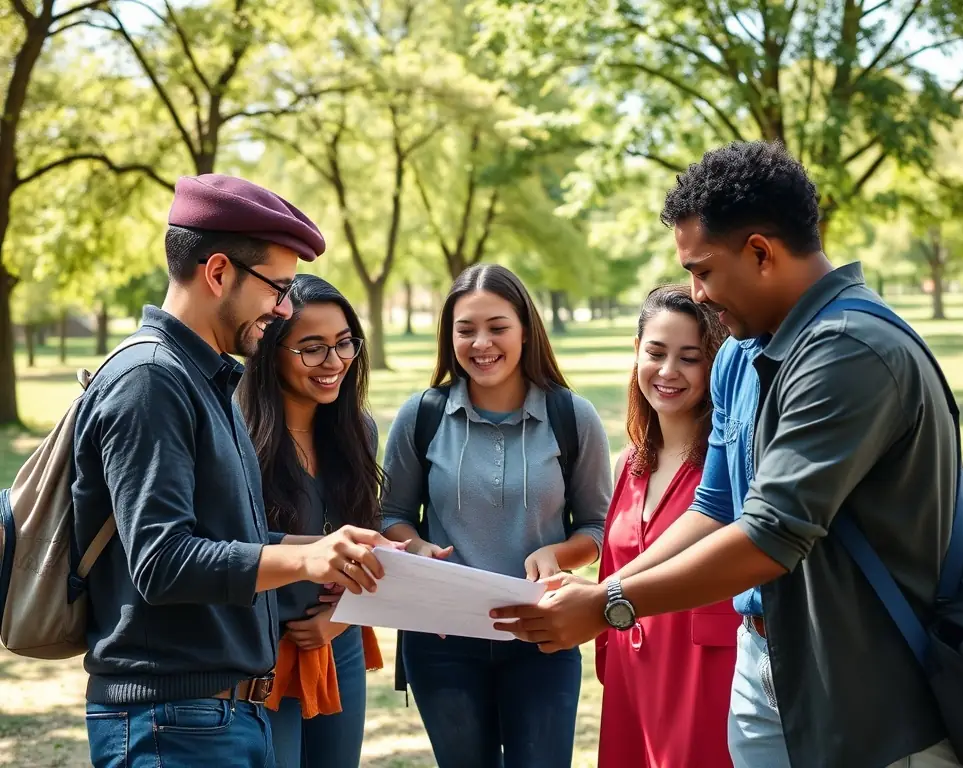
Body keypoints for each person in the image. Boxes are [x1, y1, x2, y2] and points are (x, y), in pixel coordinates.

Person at [491, 141, 963, 768]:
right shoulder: (741, 355)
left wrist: (608, 606)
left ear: (761, 253)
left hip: (869, 681)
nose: (698, 293)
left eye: (704, 270)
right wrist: (608, 586)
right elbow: (715, 507)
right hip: (764, 662)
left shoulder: (850, 351)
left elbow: (771, 534)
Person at [72, 174, 399, 768]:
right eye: (276, 287)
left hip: (222, 716)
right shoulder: (150, 381)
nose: (284, 307)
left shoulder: (206, 380)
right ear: (218, 272)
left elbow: (228, 545)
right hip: (174, 721)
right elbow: (162, 561)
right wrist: (303, 559)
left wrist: (326, 547)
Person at [380, 263, 612, 768]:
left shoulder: (572, 418)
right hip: (441, 641)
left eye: (497, 327)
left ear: (525, 330)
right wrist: (417, 547)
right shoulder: (421, 416)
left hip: (542, 635)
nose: (481, 343)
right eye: (466, 330)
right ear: (450, 337)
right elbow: (392, 514)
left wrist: (558, 552)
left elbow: (597, 528)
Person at [238, 274, 385, 768]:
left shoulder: (359, 430)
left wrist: (339, 620)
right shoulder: (235, 436)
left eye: (345, 343)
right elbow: (227, 546)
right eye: (312, 348)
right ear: (270, 350)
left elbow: (370, 541)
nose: (335, 362)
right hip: (260, 652)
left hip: (337, 638)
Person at [596, 284, 738, 768]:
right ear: (636, 353)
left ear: (715, 364)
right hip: (630, 676)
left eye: (690, 358)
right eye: (655, 352)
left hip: (704, 676)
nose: (668, 372)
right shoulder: (629, 463)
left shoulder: (729, 470)